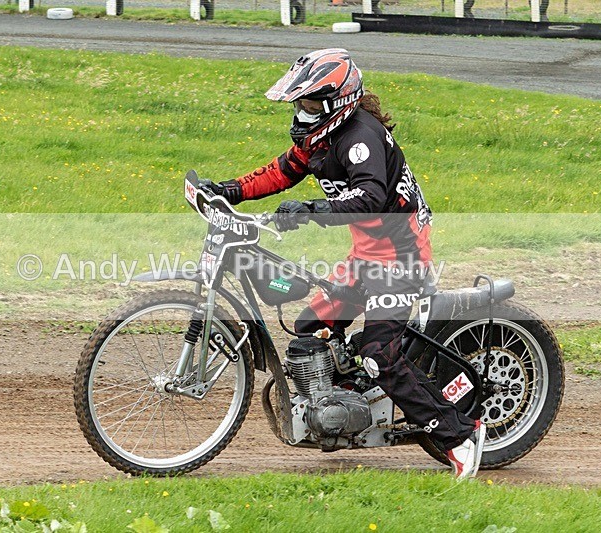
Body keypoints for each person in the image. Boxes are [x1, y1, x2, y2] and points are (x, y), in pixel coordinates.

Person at [201, 48, 485, 480]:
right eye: (300, 103)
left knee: (378, 355)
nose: (303, 111)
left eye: (311, 103)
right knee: (308, 324)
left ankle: (457, 436)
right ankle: (348, 408)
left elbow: (370, 198)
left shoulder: (359, 138)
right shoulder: (321, 138)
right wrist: (229, 191)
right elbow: (282, 171)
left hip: (400, 258)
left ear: (337, 101)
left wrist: (312, 209)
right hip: (365, 256)